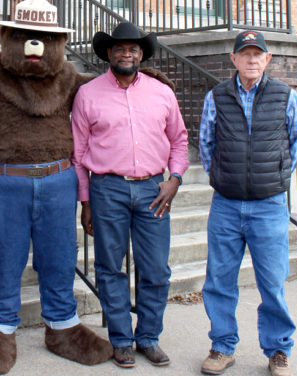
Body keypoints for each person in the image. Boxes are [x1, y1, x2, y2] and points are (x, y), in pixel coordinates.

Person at [71, 22, 189, 369]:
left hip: (155, 190)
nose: (127, 53)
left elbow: (179, 140)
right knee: (110, 268)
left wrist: (175, 179)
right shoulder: (88, 94)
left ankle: (149, 337)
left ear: (141, 54)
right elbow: (78, 154)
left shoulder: (161, 93)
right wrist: (86, 201)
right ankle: (121, 340)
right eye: (120, 48)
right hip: (107, 190)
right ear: (109, 53)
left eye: (133, 48)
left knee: (155, 269)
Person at [198, 30, 297, 376]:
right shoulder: (216, 96)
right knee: (219, 280)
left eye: (257, 54)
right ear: (233, 59)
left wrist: (273, 176)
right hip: (226, 206)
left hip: (269, 205)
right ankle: (222, 347)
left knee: (272, 282)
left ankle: (278, 351)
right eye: (244, 54)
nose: (251, 59)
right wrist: (224, 176)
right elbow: (205, 145)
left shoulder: (285, 96)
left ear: (267, 59)